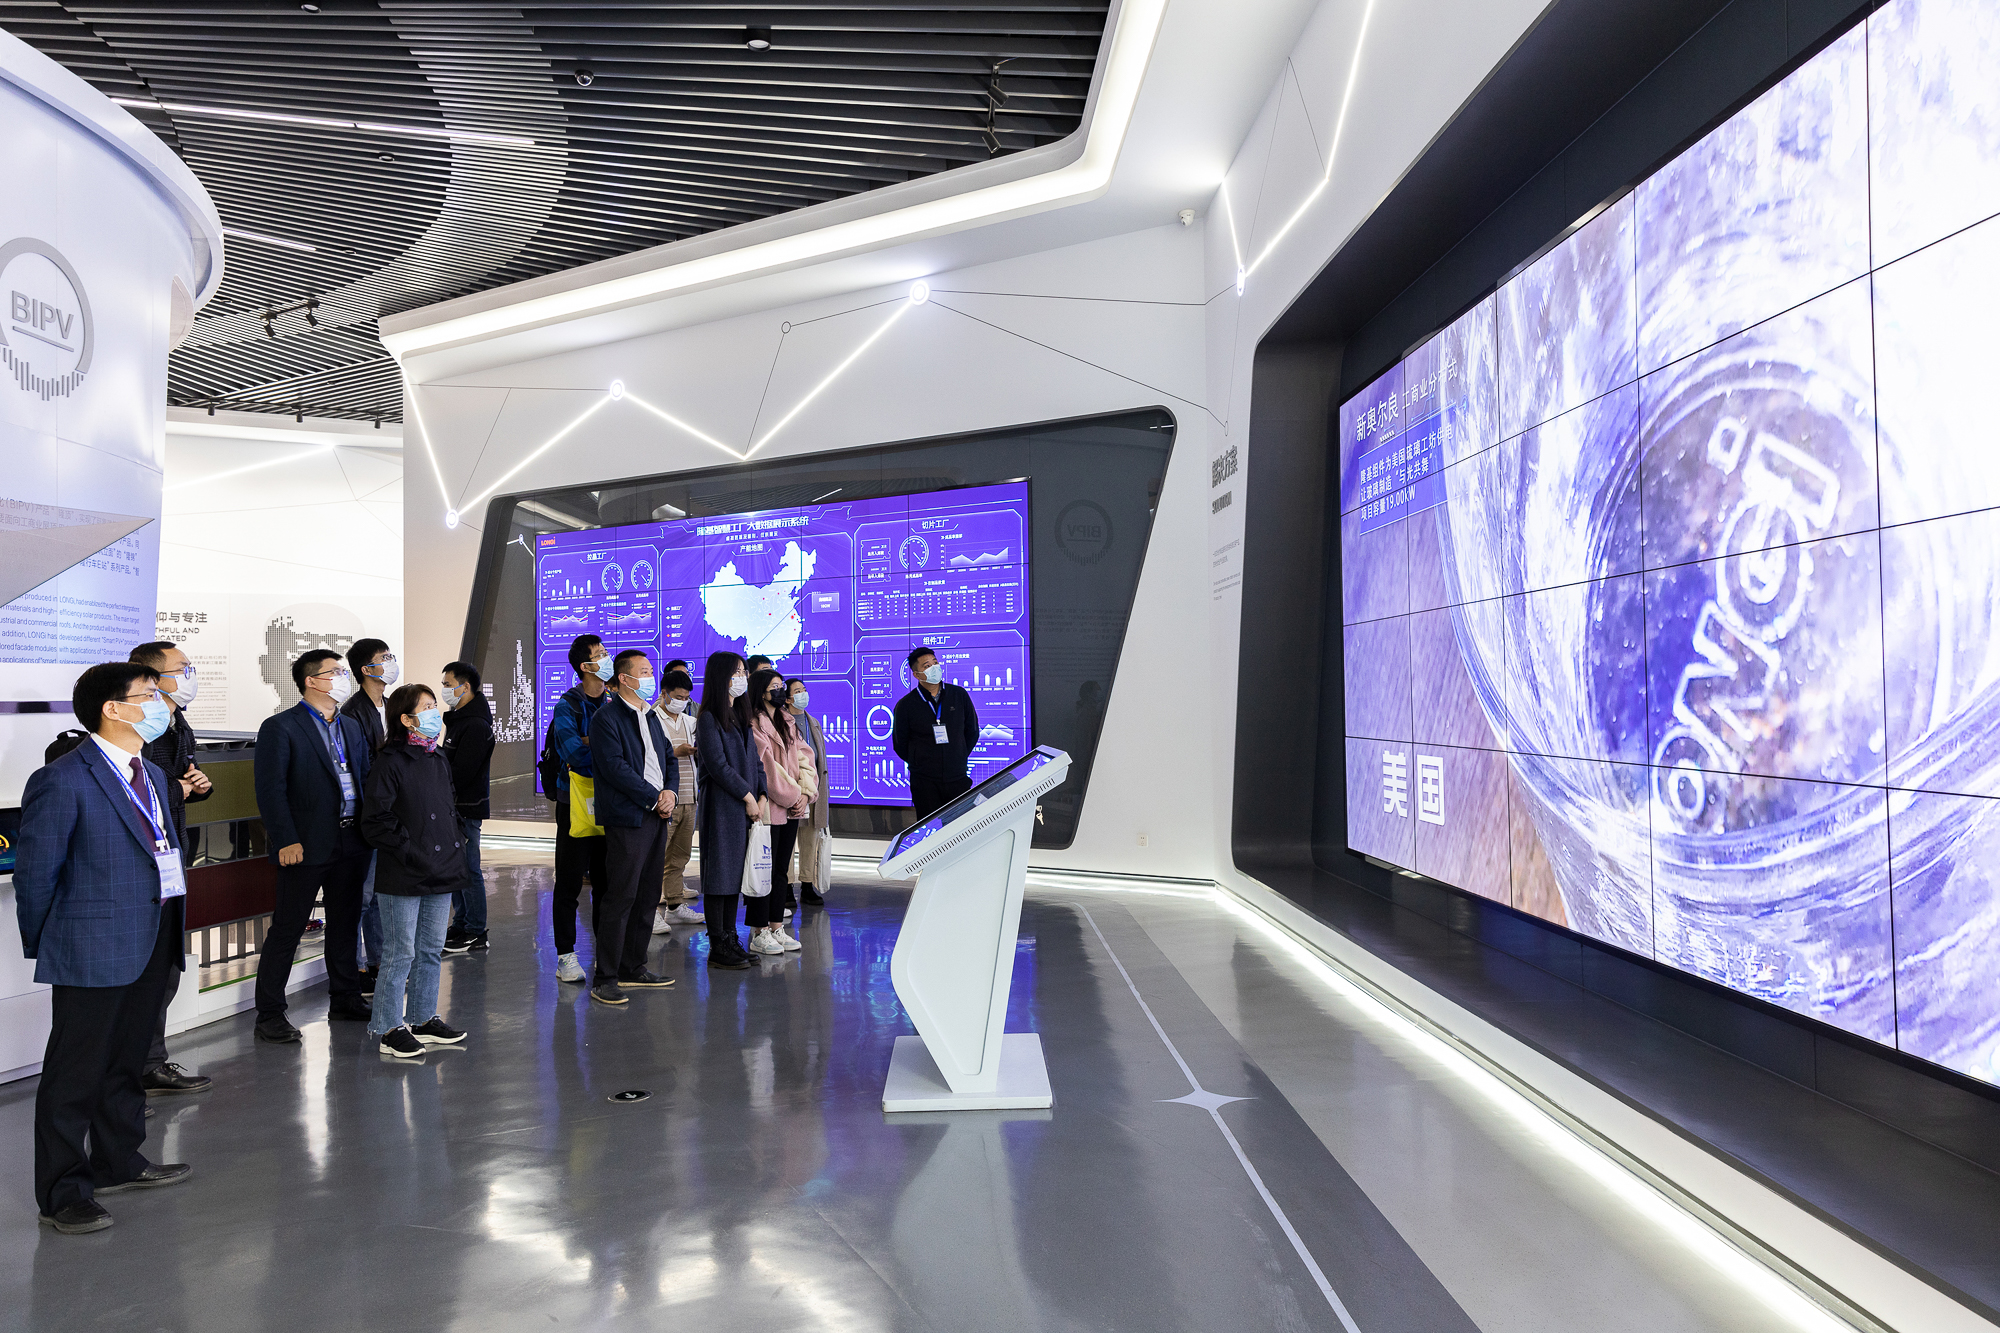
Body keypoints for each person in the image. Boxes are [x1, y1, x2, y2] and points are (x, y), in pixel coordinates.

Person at [16, 662, 196, 1234]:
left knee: (126, 1061)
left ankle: (118, 1161)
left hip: (154, 932)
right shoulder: (63, 778)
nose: (161, 703)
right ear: (112, 709)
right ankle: (63, 1192)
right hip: (90, 944)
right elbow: (36, 875)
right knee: (75, 1072)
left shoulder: (154, 773)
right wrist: (52, 944)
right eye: (149, 694)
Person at [251, 649, 374, 1042]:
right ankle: (270, 1014)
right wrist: (285, 839)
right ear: (311, 681)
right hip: (304, 844)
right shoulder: (281, 727)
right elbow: (271, 791)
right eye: (334, 672)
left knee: (346, 924)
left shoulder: (350, 725)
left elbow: (363, 777)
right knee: (288, 929)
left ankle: (345, 998)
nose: (342, 677)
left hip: (352, 839)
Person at [360, 683, 470, 1058]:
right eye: (426, 707)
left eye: (434, 705)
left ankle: (423, 1018)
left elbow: (449, 807)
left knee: (430, 950)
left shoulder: (437, 758)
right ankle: (388, 1027)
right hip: (404, 873)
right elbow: (375, 822)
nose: (434, 713)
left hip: (442, 868)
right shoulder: (390, 762)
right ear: (406, 719)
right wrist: (409, 849)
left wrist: (456, 840)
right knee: (399, 954)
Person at [126, 642, 215, 1096]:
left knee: (166, 969)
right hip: (144, 864)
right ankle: (126, 1077)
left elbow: (179, 785)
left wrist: (199, 786)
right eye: (182, 668)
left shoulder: (178, 722)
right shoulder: (139, 728)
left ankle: (149, 1064)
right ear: (152, 678)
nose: (190, 674)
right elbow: (137, 796)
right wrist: (179, 788)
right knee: (141, 974)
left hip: (173, 856)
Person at [583, 649, 680, 1005]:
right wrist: (654, 797)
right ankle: (605, 977)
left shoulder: (650, 716)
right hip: (628, 817)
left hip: (656, 815)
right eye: (644, 671)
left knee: (647, 894)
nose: (651, 676)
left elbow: (668, 758)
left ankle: (633, 966)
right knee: (621, 897)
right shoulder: (606, 718)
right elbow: (615, 768)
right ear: (625, 678)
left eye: (651, 670)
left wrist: (670, 792)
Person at [547, 634, 613, 984]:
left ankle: (606, 950)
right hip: (573, 802)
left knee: (606, 882)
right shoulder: (567, 706)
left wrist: (594, 742)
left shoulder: (614, 702)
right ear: (585, 666)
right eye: (600, 654)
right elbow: (575, 753)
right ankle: (565, 956)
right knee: (570, 881)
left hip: (609, 802)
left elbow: (631, 748)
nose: (607, 657)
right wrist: (607, 748)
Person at [694, 652, 762, 970]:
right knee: (718, 877)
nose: (742, 677)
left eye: (744, 671)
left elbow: (756, 762)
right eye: (737, 672)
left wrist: (761, 794)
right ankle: (718, 944)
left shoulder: (740, 715)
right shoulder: (709, 718)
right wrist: (748, 796)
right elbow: (718, 766)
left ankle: (731, 938)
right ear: (722, 676)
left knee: (733, 877)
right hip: (722, 807)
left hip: (743, 806)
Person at [342, 637, 396, 993]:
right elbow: (360, 766)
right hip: (368, 812)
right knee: (361, 897)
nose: (390, 662)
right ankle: (355, 967)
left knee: (379, 894)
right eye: (384, 657)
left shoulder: (391, 706)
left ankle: (377, 961)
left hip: (391, 811)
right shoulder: (353, 712)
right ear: (366, 669)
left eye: (391, 656)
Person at [748, 669, 811, 955]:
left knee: (781, 870)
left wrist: (806, 793)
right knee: (764, 871)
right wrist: (794, 795)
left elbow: (805, 757)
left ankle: (776, 926)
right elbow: (766, 768)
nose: (781, 691)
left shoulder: (787, 720)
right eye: (775, 686)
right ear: (761, 691)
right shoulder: (754, 723)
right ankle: (758, 930)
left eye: (781, 685)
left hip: (793, 807)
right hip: (770, 808)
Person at [439, 661, 494, 955]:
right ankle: (461, 923)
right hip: (453, 807)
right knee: (456, 869)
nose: (445, 690)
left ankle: (475, 930)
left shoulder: (474, 725)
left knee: (469, 870)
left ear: (466, 687)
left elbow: (462, 772)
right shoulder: (459, 720)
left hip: (466, 808)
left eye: (448, 685)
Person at [891, 645, 980, 819]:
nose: (934, 668)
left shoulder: (958, 695)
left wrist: (957, 755)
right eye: (927, 666)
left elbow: (972, 731)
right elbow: (900, 744)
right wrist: (921, 761)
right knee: (931, 828)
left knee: (961, 826)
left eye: (935, 663)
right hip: (925, 783)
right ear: (917, 675)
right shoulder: (906, 705)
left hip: (957, 778)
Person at [651, 668, 705, 932]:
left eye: (686, 698)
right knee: (656, 857)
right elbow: (649, 756)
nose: (682, 701)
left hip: (690, 797)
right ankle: (650, 910)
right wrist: (676, 751)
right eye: (678, 697)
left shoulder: (691, 721)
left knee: (680, 856)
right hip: (664, 799)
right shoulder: (652, 719)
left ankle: (674, 905)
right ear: (664, 694)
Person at [785, 676, 831, 907]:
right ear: (787, 698)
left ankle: (807, 885)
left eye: (804, 689)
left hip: (813, 790)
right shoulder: (781, 722)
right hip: (792, 790)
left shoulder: (813, 722)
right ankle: (785, 886)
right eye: (797, 691)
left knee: (810, 839)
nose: (803, 694)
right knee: (787, 841)